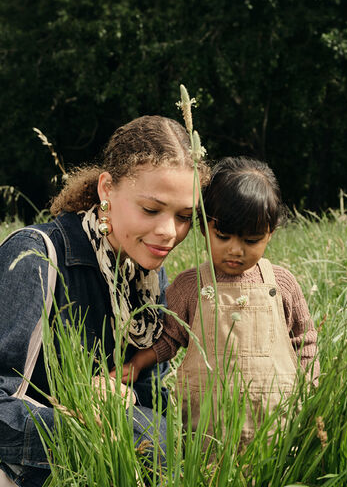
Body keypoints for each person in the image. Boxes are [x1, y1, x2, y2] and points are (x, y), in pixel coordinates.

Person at [0, 115, 208, 487]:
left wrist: (123, 395)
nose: (169, 232)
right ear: (107, 188)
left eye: (185, 217)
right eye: (151, 210)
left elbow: (150, 391)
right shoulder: (33, 257)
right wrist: (86, 425)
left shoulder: (146, 273)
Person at [115, 156, 319, 450]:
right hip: (205, 427)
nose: (235, 250)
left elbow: (304, 341)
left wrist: (309, 390)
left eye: (251, 241)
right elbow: (170, 337)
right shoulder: (189, 287)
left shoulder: (281, 284)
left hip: (276, 426)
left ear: (270, 234)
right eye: (222, 237)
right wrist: (137, 363)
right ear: (203, 227)